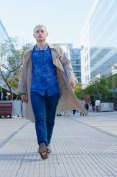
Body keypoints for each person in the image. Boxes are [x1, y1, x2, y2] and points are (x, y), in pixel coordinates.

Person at [18, 25, 87, 160]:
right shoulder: (29, 53)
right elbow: (24, 72)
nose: (40, 34)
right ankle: (42, 144)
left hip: (53, 90)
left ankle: (47, 144)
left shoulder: (56, 50)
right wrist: (22, 91)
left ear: (46, 34)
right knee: (40, 118)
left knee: (50, 119)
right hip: (35, 90)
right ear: (34, 35)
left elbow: (67, 64)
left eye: (42, 31)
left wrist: (71, 77)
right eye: (37, 32)